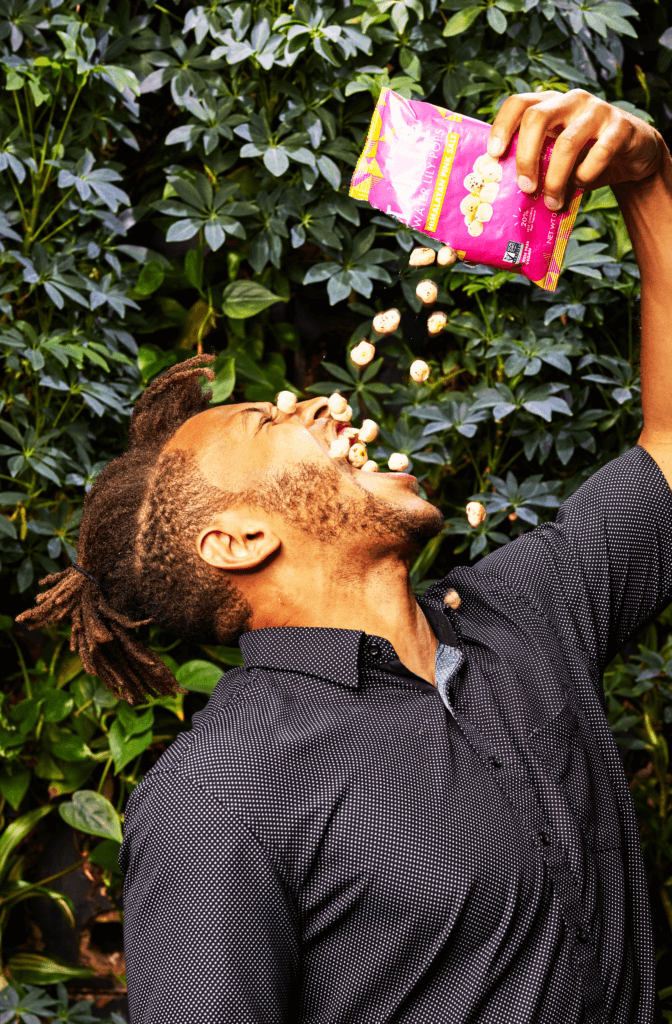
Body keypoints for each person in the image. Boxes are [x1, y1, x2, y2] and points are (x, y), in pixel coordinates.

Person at [18, 89, 671, 1023]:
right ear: (237, 540)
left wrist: (648, 183)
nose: (318, 405)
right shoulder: (218, 797)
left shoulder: (525, 610)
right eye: (269, 418)